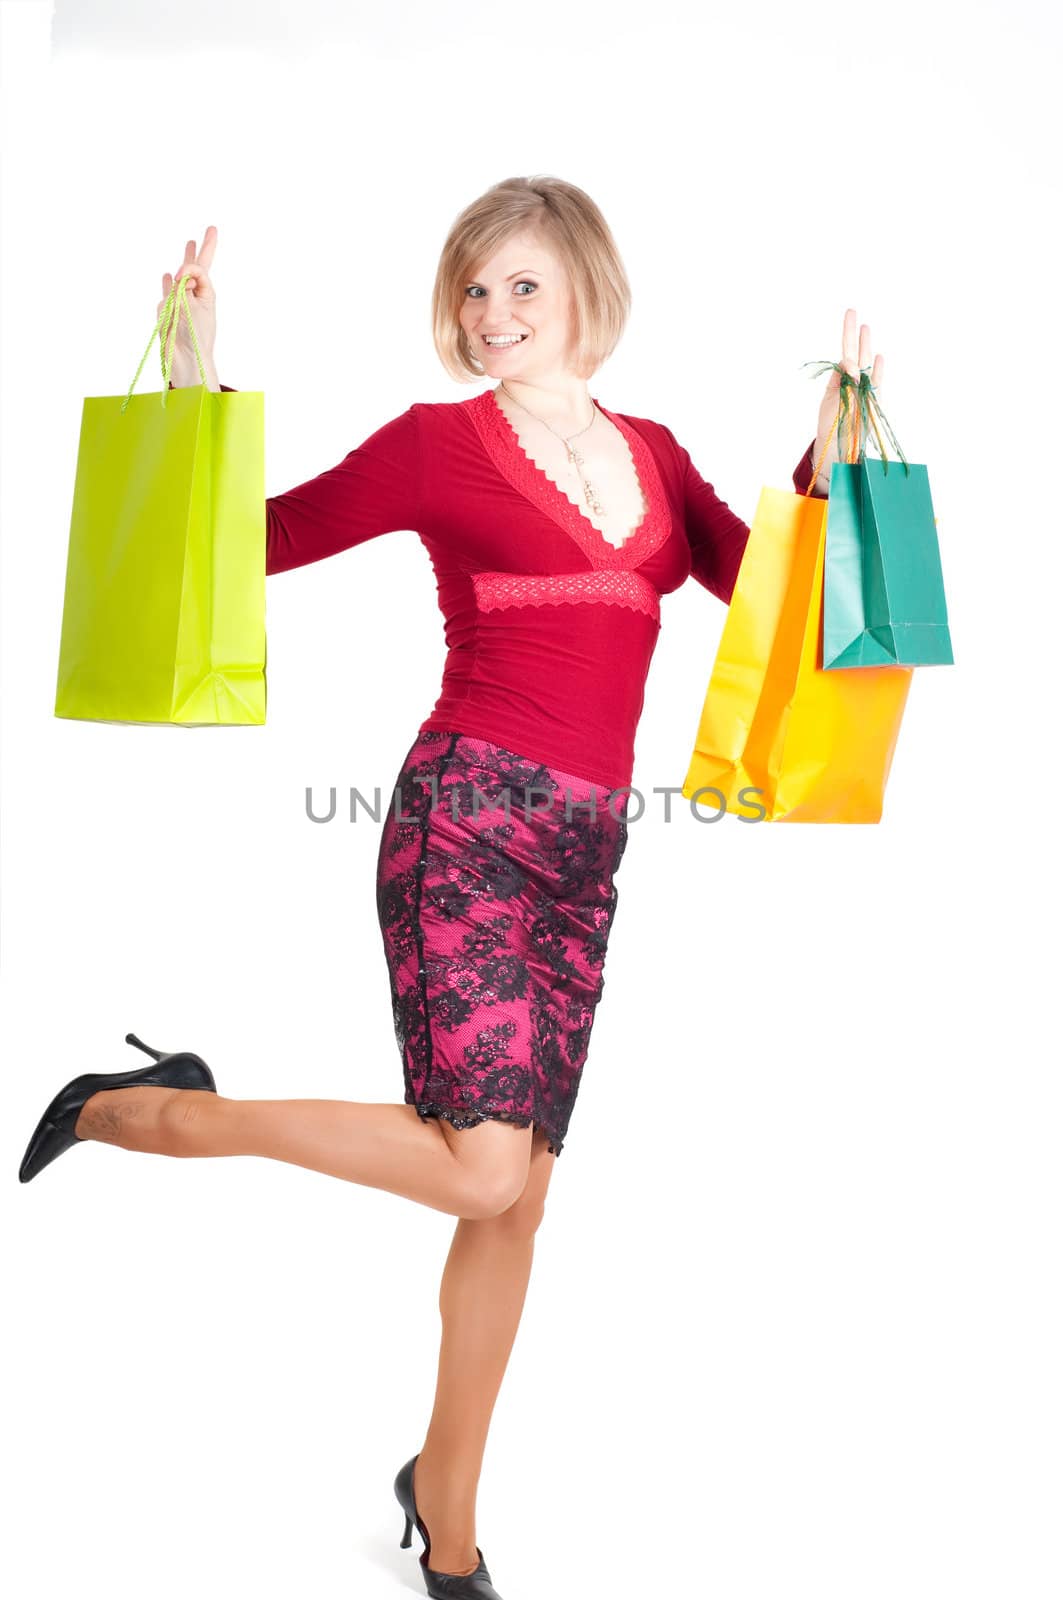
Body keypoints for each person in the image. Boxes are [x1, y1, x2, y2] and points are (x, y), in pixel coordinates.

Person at [19, 175, 885, 1600]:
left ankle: (450, 1510)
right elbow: (260, 537)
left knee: (514, 1206)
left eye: (524, 287)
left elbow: (771, 595)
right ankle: (144, 1106)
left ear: (588, 292)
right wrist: (195, 390)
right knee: (481, 1160)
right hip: (466, 820)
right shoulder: (437, 448)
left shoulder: (657, 458)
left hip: (590, 857)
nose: (493, 315)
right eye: (474, 289)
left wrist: (824, 464)